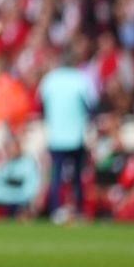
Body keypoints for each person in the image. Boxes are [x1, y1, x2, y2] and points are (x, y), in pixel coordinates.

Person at [39, 43, 99, 223]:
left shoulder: (50, 79)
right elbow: (92, 105)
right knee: (78, 176)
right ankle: (78, 210)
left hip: (56, 135)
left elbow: (41, 104)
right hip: (76, 135)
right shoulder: (82, 79)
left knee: (57, 174)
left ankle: (57, 210)